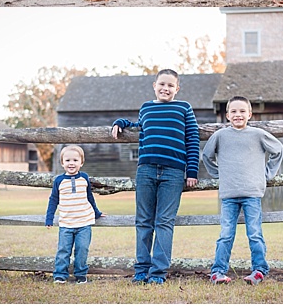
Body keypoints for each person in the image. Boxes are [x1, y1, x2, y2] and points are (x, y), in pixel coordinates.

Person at [110, 69, 199, 284]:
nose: (165, 89)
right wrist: (121, 122)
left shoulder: (183, 108)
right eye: (162, 84)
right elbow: (138, 125)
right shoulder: (147, 107)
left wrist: (192, 171)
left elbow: (193, 138)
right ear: (154, 85)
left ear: (177, 89)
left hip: (174, 172)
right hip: (146, 170)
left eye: (170, 85)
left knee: (164, 222)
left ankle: (158, 273)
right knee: (143, 221)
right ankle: (141, 269)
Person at [202, 96, 283, 286]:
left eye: (242, 111)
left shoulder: (257, 134)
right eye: (233, 111)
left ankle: (259, 270)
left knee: (254, 233)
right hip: (229, 195)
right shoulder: (220, 136)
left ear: (249, 114)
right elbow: (206, 155)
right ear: (227, 115)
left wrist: (267, 173)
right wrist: (218, 173)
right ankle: (218, 272)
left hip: (252, 193)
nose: (238, 115)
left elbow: (278, 149)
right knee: (225, 234)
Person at [45, 144, 102, 284]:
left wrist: (97, 212)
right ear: (62, 163)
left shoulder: (84, 178)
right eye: (68, 160)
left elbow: (90, 197)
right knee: (63, 250)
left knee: (82, 250)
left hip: (84, 223)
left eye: (75, 160)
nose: (71, 163)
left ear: (81, 163)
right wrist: (49, 218)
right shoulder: (59, 181)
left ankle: (81, 275)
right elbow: (53, 200)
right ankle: (60, 275)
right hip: (66, 223)